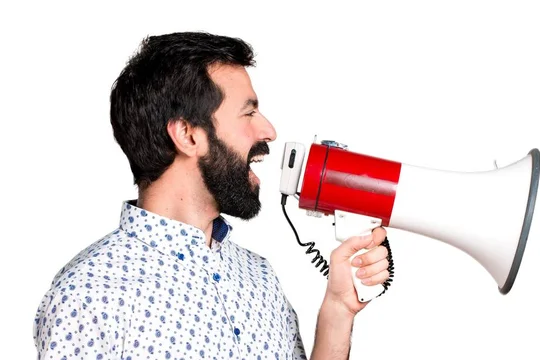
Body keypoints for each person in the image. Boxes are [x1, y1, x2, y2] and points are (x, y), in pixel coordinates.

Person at [33, 31, 390, 360]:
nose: (268, 130)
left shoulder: (259, 277)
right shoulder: (88, 294)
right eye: (248, 112)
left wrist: (338, 310)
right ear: (188, 135)